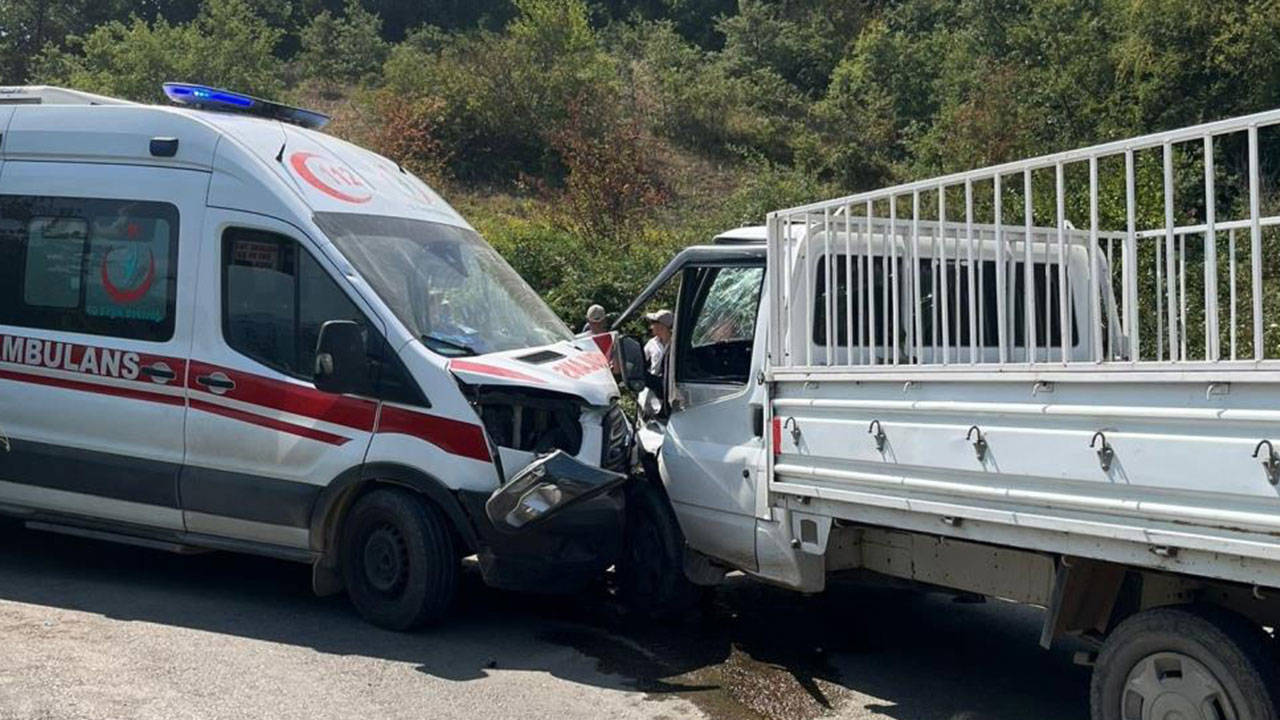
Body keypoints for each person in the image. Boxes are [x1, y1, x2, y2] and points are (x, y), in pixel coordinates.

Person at [643, 309, 673, 377]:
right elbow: (641, 361)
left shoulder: (676, 343)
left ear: (662, 326)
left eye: (653, 323)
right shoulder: (651, 343)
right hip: (654, 382)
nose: (651, 327)